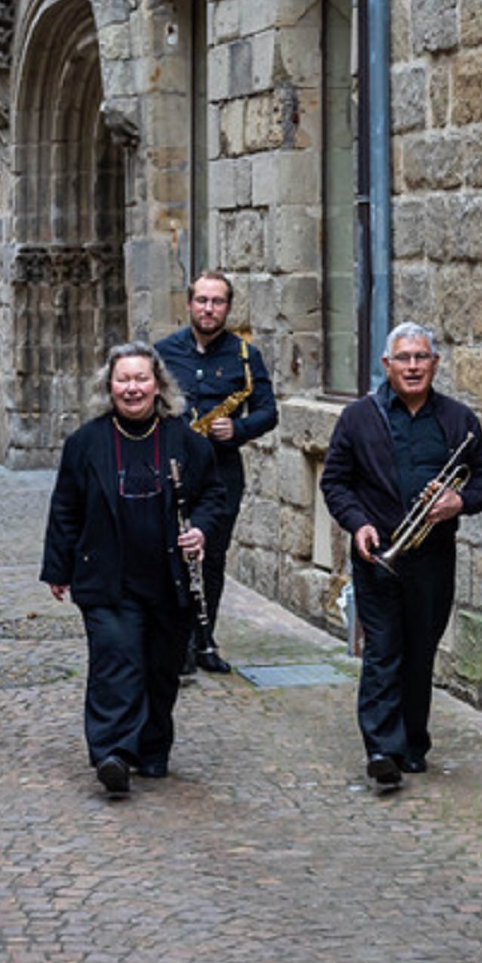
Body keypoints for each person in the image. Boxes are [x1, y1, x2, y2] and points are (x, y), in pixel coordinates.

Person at [40, 342, 226, 795]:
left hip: (168, 580)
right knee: (115, 663)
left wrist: (200, 530)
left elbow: (214, 498)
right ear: (109, 387)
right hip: (107, 577)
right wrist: (58, 568)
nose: (132, 388)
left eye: (141, 378)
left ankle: (152, 747)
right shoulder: (85, 443)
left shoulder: (186, 440)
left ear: (158, 385)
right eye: (123, 379)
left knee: (161, 670)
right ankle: (113, 753)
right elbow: (66, 507)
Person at [320, 322, 482, 788]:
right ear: (386, 365)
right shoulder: (358, 417)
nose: (413, 366)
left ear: (435, 364)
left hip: (433, 558)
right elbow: (335, 482)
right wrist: (358, 523)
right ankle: (382, 748)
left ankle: (412, 742)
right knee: (383, 650)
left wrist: (460, 502)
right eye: (404, 358)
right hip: (378, 554)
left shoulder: (459, 420)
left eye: (421, 357)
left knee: (420, 651)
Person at [154, 270, 278, 674]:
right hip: (170, 469)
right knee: (170, 554)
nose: (209, 309)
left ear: (228, 307)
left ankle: (203, 641)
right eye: (202, 301)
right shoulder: (161, 353)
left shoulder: (245, 356)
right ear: (189, 303)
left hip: (221, 472)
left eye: (218, 302)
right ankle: (174, 642)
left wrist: (238, 428)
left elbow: (267, 411)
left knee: (211, 557)